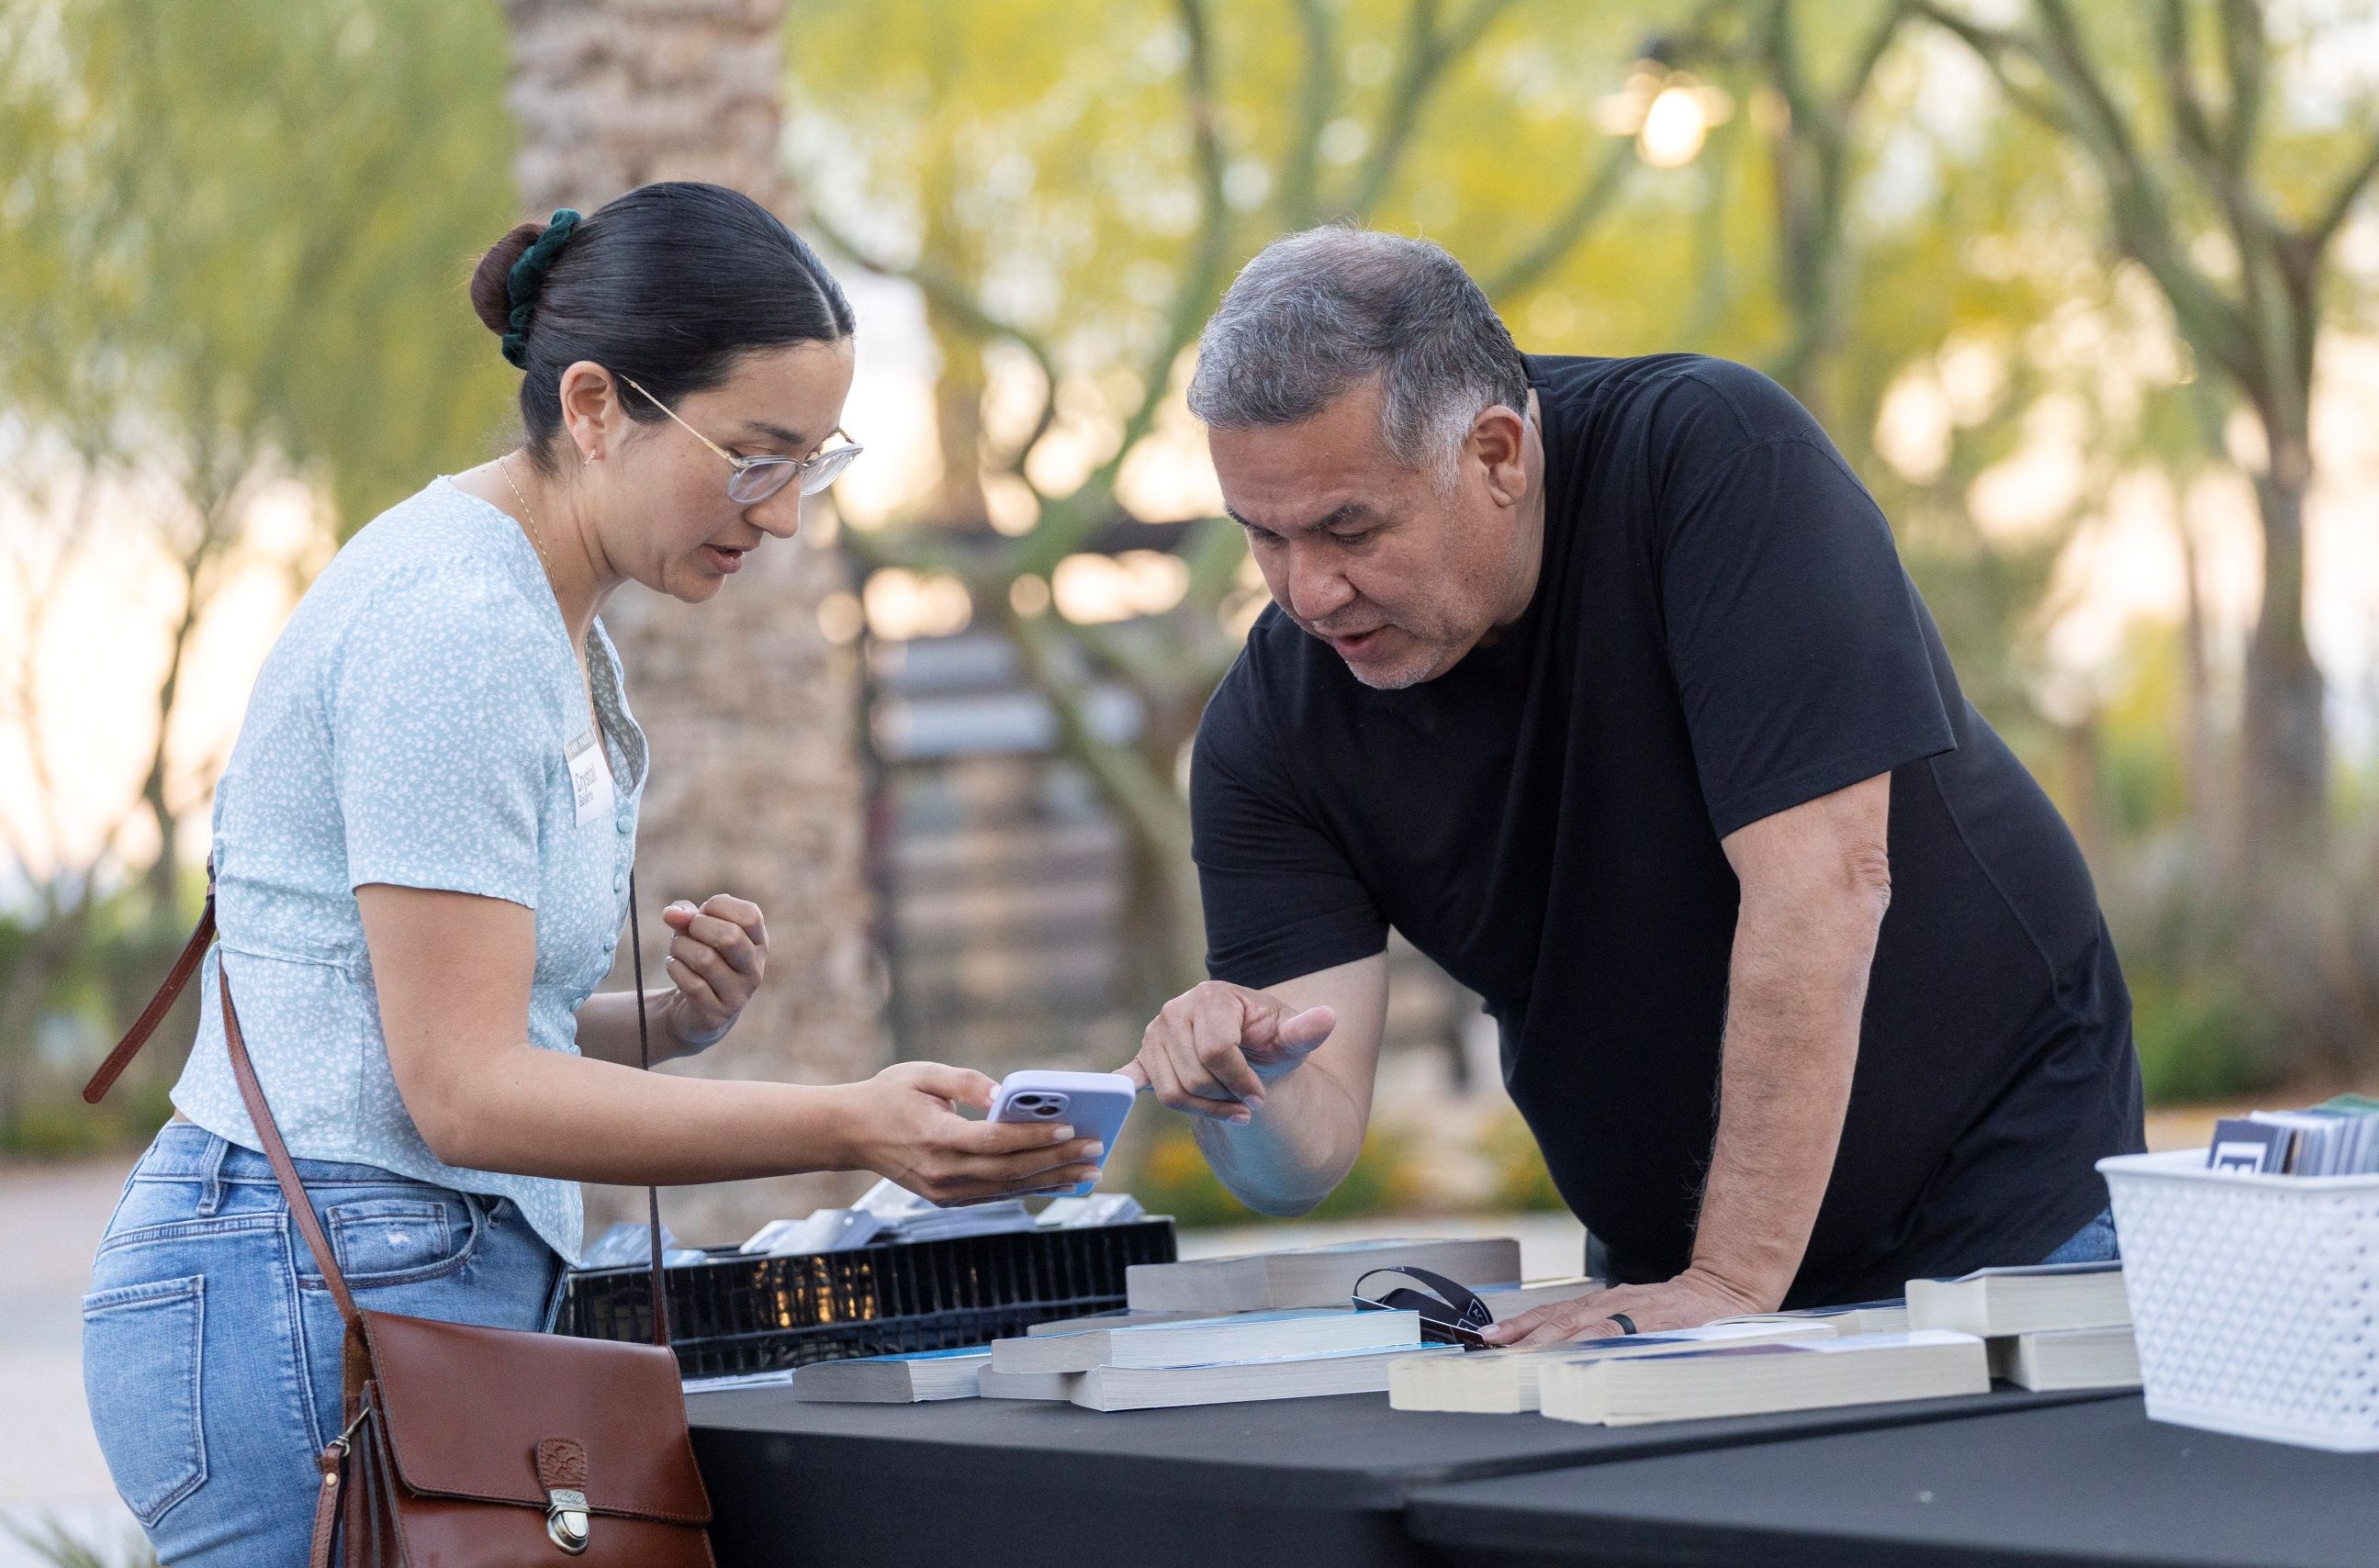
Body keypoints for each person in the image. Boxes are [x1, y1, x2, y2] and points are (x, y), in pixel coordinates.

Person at [80, 182, 1100, 1566]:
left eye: (812, 463)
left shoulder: (542, 619)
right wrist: (848, 1122)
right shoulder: (458, 627)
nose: (783, 517)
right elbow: (461, 1089)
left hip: (352, 1279)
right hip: (307, 1304)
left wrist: (668, 1022)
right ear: (597, 406)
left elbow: (452, 1025)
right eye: (754, 458)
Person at [1124, 226, 2146, 1343]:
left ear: (1497, 455)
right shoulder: (1267, 731)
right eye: (1262, 537)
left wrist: (1729, 1284)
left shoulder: (1715, 460)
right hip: (1674, 1281)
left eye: (1347, 528)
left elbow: (1824, 884)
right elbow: (1304, 1156)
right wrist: (1236, 1079)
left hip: (2008, 1215)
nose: (1308, 591)